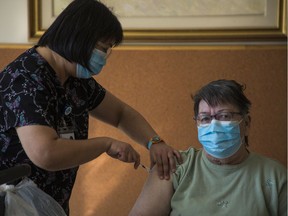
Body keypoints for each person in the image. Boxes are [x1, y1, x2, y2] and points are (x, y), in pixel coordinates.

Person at [0, 0, 182, 214]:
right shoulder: (26, 79)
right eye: (102, 48)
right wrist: (106, 144)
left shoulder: (74, 79)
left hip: (46, 203)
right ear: (78, 37)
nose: (104, 57)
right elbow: (46, 153)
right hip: (12, 203)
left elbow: (121, 114)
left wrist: (155, 142)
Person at [129, 79, 287, 216]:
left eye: (224, 116)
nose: (214, 125)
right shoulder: (174, 166)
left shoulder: (276, 176)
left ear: (246, 123)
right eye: (205, 118)